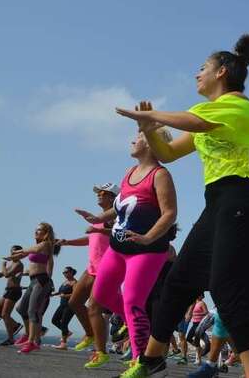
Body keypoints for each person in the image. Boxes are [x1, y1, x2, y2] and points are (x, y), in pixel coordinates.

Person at [116, 34, 249, 378]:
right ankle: (152, 360)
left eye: (202, 68)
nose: (196, 74)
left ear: (221, 72)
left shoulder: (237, 105)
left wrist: (152, 116)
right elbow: (168, 153)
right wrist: (149, 129)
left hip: (248, 195)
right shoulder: (210, 116)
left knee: (228, 293)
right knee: (179, 280)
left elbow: (194, 121)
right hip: (220, 201)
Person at [80, 127, 178, 369]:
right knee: (102, 296)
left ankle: (140, 361)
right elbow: (120, 206)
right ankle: (137, 324)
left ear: (151, 143)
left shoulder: (160, 175)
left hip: (147, 250)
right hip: (117, 248)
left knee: (133, 301)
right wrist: (97, 218)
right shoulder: (129, 172)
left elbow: (170, 213)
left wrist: (147, 238)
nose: (133, 141)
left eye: (139, 137)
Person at [58, 182, 117, 354]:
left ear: (112, 197)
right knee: (74, 302)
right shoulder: (99, 218)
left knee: (94, 308)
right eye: (98, 192)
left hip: (106, 268)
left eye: (103, 193)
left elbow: (117, 233)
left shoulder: (113, 217)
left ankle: (101, 351)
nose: (99, 194)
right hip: (91, 267)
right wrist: (67, 242)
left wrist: (98, 229)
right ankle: (90, 334)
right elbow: (90, 238)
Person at [7, 222, 60, 353]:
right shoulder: (38, 245)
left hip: (41, 280)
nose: (36, 232)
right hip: (33, 280)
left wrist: (18, 251)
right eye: (36, 229)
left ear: (46, 233)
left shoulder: (46, 244)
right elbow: (27, 255)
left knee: (32, 311)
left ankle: (32, 342)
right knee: (21, 308)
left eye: (39, 230)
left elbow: (33, 251)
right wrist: (15, 256)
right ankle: (30, 334)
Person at [0, 245, 25, 345]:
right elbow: (0, 275)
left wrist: (3, 265)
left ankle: (11, 339)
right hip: (8, 290)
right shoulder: (12, 263)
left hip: (14, 291)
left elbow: (6, 275)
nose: (12, 254)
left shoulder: (19, 264)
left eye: (14, 252)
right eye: (11, 252)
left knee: (5, 315)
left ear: (19, 254)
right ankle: (15, 325)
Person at [50, 266, 78, 349]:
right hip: (62, 305)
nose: (64, 274)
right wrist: (54, 294)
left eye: (66, 272)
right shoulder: (65, 282)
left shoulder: (75, 283)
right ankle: (67, 332)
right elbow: (61, 292)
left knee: (64, 323)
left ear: (71, 272)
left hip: (70, 306)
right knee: (54, 320)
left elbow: (75, 294)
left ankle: (63, 344)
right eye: (63, 273)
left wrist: (65, 296)